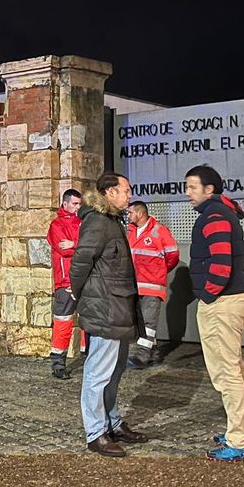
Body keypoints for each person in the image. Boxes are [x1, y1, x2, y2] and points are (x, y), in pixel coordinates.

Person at [71, 173, 148, 457]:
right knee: (98, 372)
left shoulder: (112, 221)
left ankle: (112, 423)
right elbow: (80, 263)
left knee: (114, 371)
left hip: (119, 306)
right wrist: (81, 296)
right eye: (126, 190)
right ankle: (96, 432)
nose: (130, 195)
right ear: (110, 192)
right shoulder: (97, 222)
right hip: (105, 308)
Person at [186, 165, 244, 462]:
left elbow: (221, 263)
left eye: (192, 186)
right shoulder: (221, 212)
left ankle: (240, 441)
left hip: (223, 302)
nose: (187, 192)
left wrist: (207, 294)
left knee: (226, 371)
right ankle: (241, 429)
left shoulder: (214, 216)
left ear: (209, 189)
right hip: (232, 298)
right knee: (234, 368)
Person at [125, 201, 180, 369]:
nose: (128, 216)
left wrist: (160, 271)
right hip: (136, 285)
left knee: (148, 323)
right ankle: (153, 353)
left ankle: (142, 356)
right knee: (142, 322)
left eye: (130, 213)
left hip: (152, 284)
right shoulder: (131, 232)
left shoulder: (159, 231)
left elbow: (173, 255)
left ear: (140, 214)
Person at [47, 188, 85, 379]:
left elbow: (89, 246)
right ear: (65, 203)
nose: (78, 207)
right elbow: (63, 249)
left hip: (84, 278)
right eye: (75, 203)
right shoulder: (56, 225)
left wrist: (75, 244)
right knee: (63, 321)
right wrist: (79, 246)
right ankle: (58, 362)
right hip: (65, 280)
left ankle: (88, 357)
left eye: (80, 204)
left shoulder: (82, 223)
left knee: (88, 321)